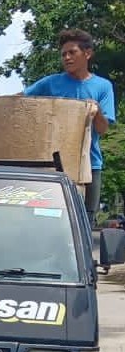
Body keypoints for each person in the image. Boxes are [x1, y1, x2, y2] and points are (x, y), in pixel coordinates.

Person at [22, 28, 117, 227]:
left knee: (85, 222)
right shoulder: (50, 83)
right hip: (53, 164)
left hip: (90, 164)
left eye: (72, 52)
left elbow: (102, 129)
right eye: (63, 54)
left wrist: (96, 110)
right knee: (50, 219)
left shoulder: (103, 86)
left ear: (87, 53)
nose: (66, 57)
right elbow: (20, 101)